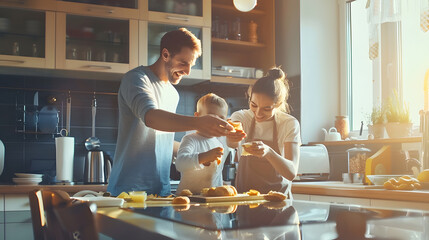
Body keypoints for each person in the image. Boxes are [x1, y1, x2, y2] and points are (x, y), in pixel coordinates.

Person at [108, 28, 238, 196]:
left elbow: (162, 140)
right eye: (183, 63)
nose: (188, 71)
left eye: (191, 64)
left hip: (161, 190)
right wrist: (200, 122)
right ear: (165, 54)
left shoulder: (172, 94)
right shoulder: (137, 79)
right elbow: (151, 117)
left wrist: (205, 147)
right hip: (129, 189)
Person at [227, 67, 301, 197]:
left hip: (278, 202)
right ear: (249, 98)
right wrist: (232, 136)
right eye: (254, 105)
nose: (258, 114)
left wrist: (268, 152)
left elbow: (291, 173)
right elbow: (232, 144)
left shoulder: (289, 124)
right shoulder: (241, 117)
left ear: (278, 104)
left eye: (267, 108)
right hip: (245, 201)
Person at [175, 93, 231, 194]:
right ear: (197, 117)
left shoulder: (219, 145)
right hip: (188, 199)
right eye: (211, 117)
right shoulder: (190, 139)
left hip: (209, 200)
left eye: (221, 118)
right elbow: (180, 164)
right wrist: (203, 157)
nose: (216, 122)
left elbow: (217, 175)